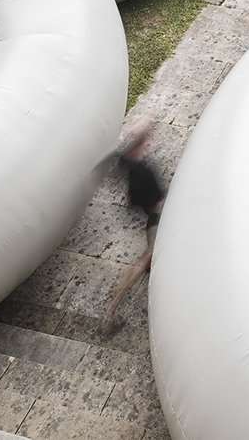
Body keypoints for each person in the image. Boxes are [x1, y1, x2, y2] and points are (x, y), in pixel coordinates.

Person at [100, 118, 165, 334]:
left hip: (154, 216)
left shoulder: (125, 161)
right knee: (144, 261)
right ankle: (110, 311)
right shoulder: (144, 171)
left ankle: (111, 310)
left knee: (145, 261)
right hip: (158, 220)